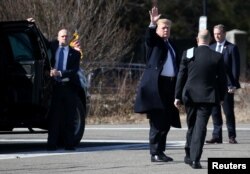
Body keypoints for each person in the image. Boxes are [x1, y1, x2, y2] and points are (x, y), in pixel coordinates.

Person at [134, 6, 181, 162]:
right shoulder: (155, 43)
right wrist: (152, 24)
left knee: (166, 121)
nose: (166, 30)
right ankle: (154, 153)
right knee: (157, 121)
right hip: (157, 87)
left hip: (170, 85)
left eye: (168, 28)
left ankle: (161, 151)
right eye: (163, 27)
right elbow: (149, 37)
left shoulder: (171, 45)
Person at [174, 29, 227, 169]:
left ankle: (188, 154)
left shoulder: (188, 53)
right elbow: (222, 80)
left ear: (197, 39)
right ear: (210, 40)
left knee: (191, 125)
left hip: (189, 96)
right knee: (200, 127)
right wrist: (221, 97)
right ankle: (195, 159)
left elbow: (181, 76)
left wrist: (177, 96)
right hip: (208, 97)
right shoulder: (217, 56)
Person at [206, 24, 241, 144]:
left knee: (228, 112)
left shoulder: (231, 48)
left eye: (219, 33)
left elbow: (235, 68)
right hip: (213, 86)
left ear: (224, 34)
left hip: (227, 86)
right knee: (215, 112)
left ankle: (232, 136)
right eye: (215, 33)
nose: (217, 36)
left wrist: (233, 85)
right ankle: (217, 136)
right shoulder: (210, 48)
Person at [47, 29, 81, 150]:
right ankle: (51, 144)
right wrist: (32, 23)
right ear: (58, 37)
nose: (64, 38)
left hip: (69, 88)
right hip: (55, 88)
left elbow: (73, 71)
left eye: (66, 37)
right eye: (62, 36)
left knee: (69, 117)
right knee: (54, 117)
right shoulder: (52, 47)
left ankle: (69, 144)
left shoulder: (75, 54)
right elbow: (40, 40)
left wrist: (59, 73)